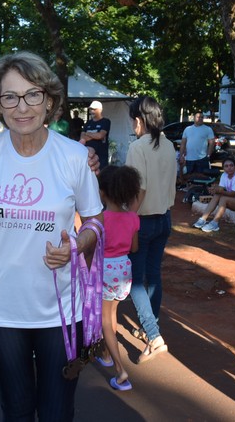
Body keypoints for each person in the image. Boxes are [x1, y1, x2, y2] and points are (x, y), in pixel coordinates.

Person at [0, 51, 103, 421]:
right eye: (9, 97)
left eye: (32, 95)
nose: (22, 107)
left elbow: (94, 222)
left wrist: (77, 246)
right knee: (15, 407)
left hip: (61, 308)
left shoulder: (75, 156)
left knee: (58, 409)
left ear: (49, 100)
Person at [125, 95, 175, 363]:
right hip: (164, 218)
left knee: (133, 281)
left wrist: (127, 221)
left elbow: (138, 190)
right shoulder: (167, 144)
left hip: (141, 220)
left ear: (138, 120)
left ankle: (154, 335)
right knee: (153, 276)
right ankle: (149, 327)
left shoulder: (138, 147)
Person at [95, 165, 140, 391]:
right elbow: (134, 247)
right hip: (124, 269)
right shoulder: (132, 218)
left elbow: (91, 248)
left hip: (105, 269)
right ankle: (106, 355)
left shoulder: (100, 219)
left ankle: (120, 370)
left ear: (102, 191)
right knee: (112, 314)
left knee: (104, 319)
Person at [193, 157, 235, 232]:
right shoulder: (224, 175)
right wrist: (214, 190)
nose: (229, 168)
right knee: (217, 195)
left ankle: (215, 223)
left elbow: (232, 194)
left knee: (223, 198)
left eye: (231, 165)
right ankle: (203, 219)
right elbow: (221, 189)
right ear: (223, 168)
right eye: (226, 166)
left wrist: (219, 191)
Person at [80, 100, 111, 169]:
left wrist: (88, 134)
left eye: (94, 109)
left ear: (100, 110)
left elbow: (100, 135)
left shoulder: (105, 121)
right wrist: (95, 135)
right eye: (90, 109)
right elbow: (82, 137)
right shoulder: (88, 123)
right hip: (88, 156)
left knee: (102, 176)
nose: (91, 111)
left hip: (101, 156)